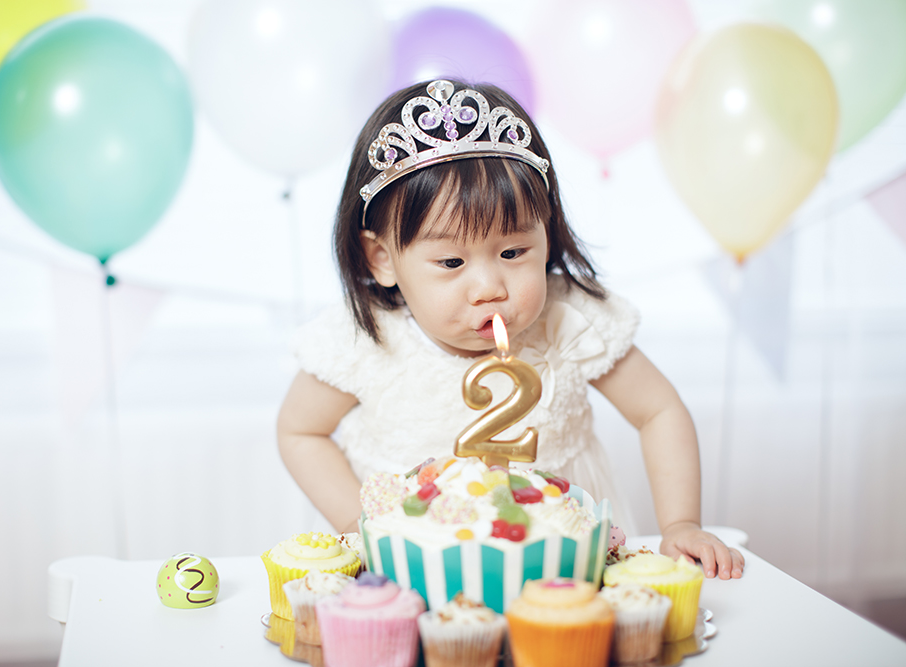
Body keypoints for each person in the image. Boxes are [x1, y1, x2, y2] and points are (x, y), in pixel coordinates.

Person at [277, 79, 743, 579]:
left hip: (562, 561)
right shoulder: (365, 339)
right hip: (415, 567)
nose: (489, 287)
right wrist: (358, 523)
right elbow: (300, 430)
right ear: (383, 259)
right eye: (452, 260)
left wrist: (681, 522)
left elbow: (659, 409)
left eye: (513, 252)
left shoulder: (570, 321)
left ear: (546, 232)